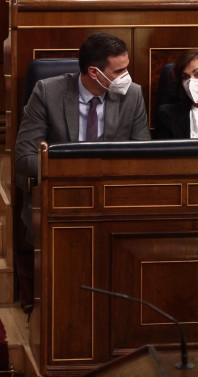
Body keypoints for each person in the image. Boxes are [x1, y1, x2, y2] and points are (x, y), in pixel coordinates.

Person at [14, 32, 151, 312]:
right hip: (62, 196)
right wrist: (74, 174)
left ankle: (118, 311)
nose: (127, 76)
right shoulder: (47, 92)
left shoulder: (132, 94)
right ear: (94, 72)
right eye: (120, 70)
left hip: (114, 197)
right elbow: (24, 157)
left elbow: (142, 156)